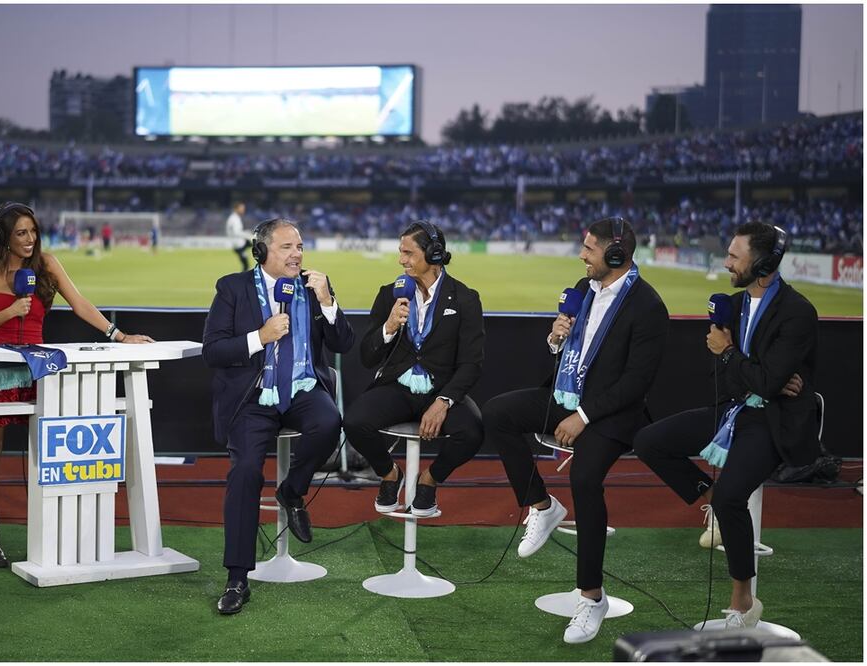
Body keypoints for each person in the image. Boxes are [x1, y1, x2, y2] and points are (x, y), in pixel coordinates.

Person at [481, 217, 669, 644]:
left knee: (584, 479)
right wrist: (555, 338)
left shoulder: (648, 307)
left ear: (616, 255)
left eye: (589, 249)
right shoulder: (583, 291)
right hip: (567, 397)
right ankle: (542, 506)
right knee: (497, 413)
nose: (581, 255)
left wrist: (583, 416)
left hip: (613, 413)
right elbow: (571, 352)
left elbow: (635, 384)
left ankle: (592, 597)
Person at [633, 222, 818, 629]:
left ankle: (744, 602)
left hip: (772, 421)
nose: (726, 262)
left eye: (735, 256)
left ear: (764, 263)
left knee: (734, 499)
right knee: (649, 441)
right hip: (735, 409)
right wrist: (748, 368)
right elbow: (733, 377)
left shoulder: (798, 311)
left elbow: (764, 383)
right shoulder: (731, 306)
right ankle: (712, 498)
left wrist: (731, 353)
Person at [0, 202, 153, 568]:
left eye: (33, 231)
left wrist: (119, 335)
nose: (30, 239)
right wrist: (9, 311)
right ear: (3, 237)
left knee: (42, 454)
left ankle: (51, 531)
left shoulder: (47, 265)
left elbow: (79, 303)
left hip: (36, 366)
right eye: (21, 233)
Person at [202, 217, 354, 615]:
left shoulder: (313, 285)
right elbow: (212, 351)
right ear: (262, 251)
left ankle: (291, 491)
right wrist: (260, 337)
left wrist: (328, 302)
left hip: (303, 389)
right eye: (287, 247)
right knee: (247, 471)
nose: (297, 254)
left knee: (329, 422)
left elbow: (344, 343)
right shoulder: (232, 288)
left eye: (300, 247)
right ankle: (237, 577)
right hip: (253, 397)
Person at [343, 221, 484, 517]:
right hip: (397, 387)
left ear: (433, 254)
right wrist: (389, 326)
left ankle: (430, 480)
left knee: (472, 432)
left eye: (408, 253)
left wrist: (443, 402)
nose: (401, 260)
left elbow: (471, 363)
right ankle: (390, 474)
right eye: (400, 252)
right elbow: (368, 357)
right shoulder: (390, 294)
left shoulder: (465, 299)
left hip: (441, 389)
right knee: (355, 421)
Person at [226, 201, 252, 271]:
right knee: (246, 265)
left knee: (246, 264)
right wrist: (247, 234)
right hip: (238, 244)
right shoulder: (234, 219)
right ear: (236, 209)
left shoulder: (234, 218)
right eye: (241, 208)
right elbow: (236, 232)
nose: (243, 210)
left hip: (238, 243)